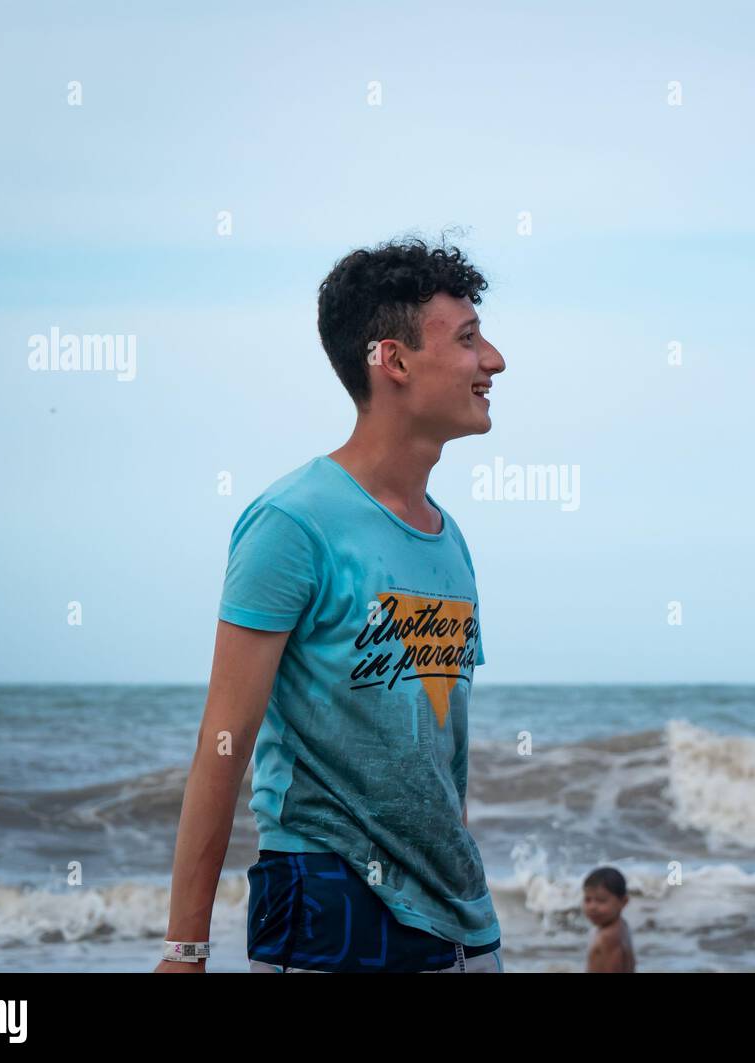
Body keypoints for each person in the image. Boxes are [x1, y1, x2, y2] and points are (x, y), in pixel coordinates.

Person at [154, 235, 507, 973]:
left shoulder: (452, 541)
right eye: (469, 339)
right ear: (395, 361)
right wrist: (185, 950)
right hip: (328, 906)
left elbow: (439, 755)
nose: (493, 361)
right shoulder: (292, 523)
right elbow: (223, 743)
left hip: (458, 919)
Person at [584, 867, 636, 972]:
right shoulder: (621, 926)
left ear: (623, 902)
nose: (592, 907)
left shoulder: (609, 937)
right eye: (587, 900)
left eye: (601, 900)